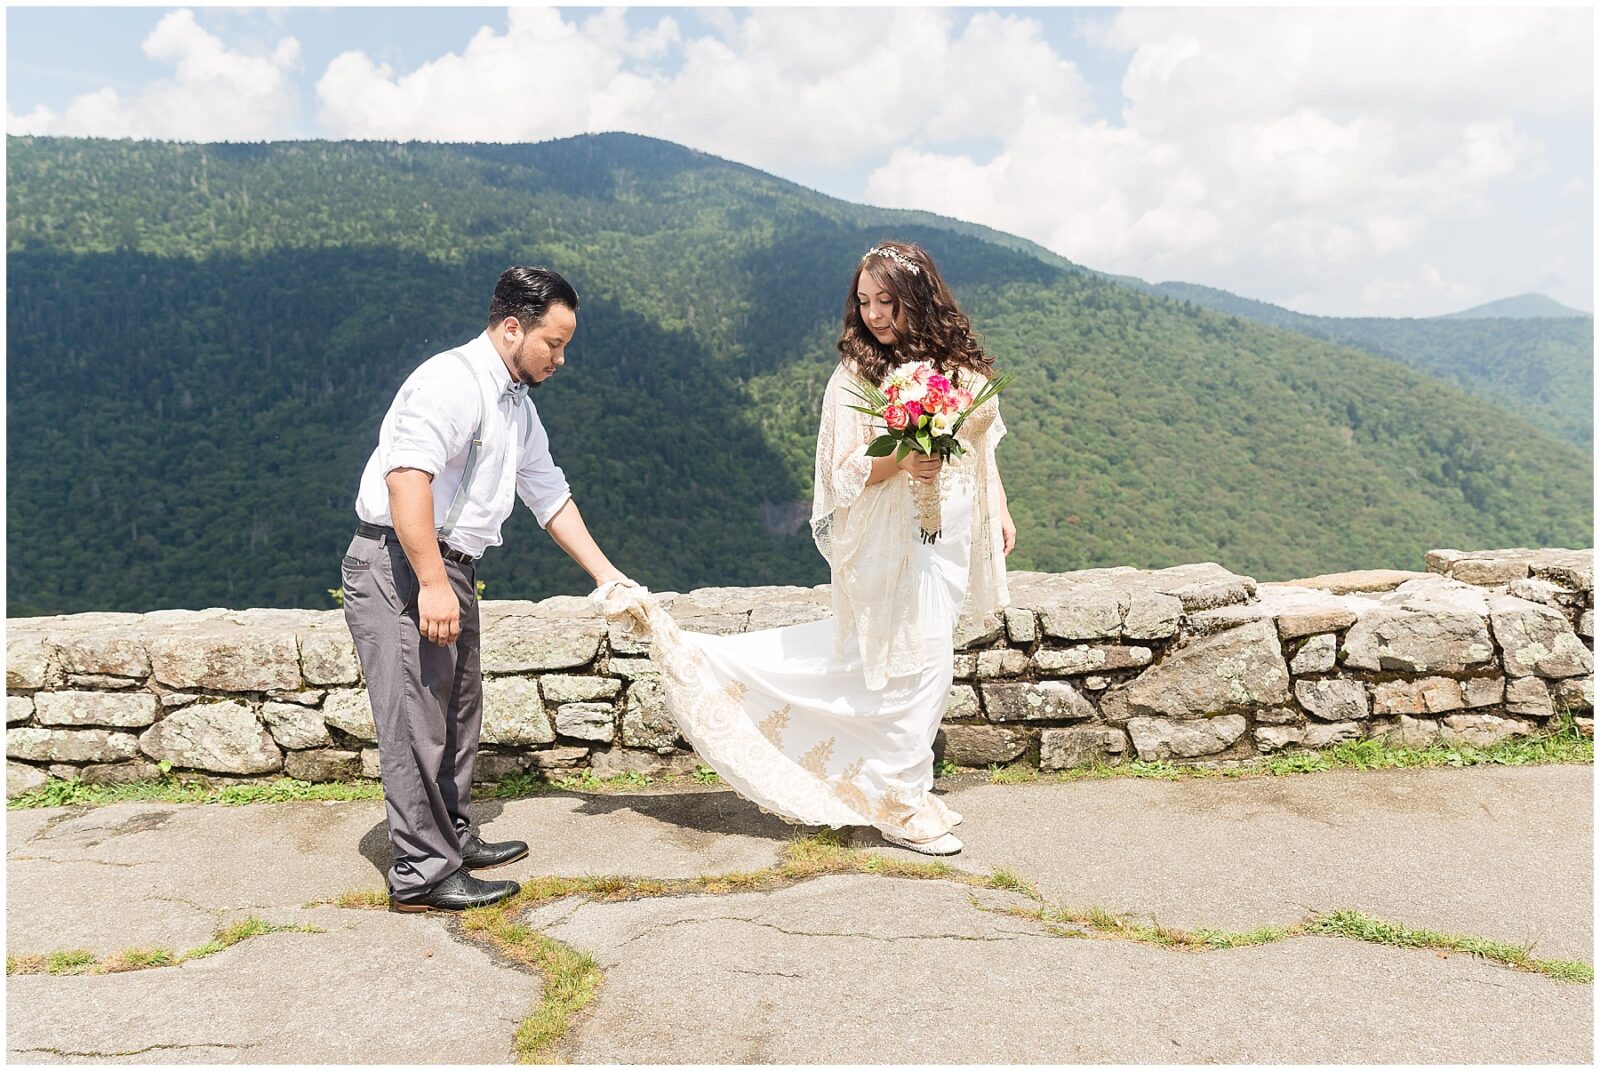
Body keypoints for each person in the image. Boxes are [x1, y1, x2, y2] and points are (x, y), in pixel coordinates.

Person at [594, 240, 1015, 855]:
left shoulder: (957, 367)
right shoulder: (854, 377)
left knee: (932, 663)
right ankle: (898, 804)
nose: (873, 315)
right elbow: (840, 472)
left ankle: (907, 786)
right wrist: (904, 456)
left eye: (887, 301)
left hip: (948, 538)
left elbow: (981, 445)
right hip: (889, 543)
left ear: (918, 298)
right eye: (864, 301)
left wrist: (998, 509)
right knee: (910, 663)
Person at [344, 266, 627, 912]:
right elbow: (406, 480)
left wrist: (608, 575)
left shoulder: (515, 406)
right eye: (553, 344)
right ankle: (421, 872)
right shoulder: (450, 382)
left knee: (457, 710)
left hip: (451, 565)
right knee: (416, 718)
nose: (560, 359)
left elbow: (549, 494)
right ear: (510, 329)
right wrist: (432, 582)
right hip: (401, 563)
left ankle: (453, 835)